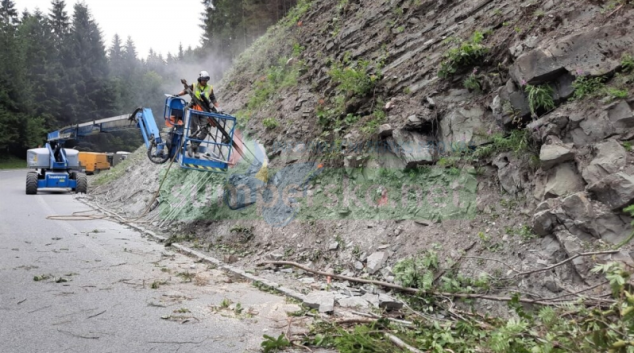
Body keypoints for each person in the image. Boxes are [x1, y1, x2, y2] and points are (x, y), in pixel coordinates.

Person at [174, 70, 224, 158]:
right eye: (203, 80)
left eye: (206, 80)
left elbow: (213, 99)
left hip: (204, 112)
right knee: (193, 130)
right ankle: (195, 151)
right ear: (200, 79)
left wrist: (218, 109)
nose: (204, 82)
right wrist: (177, 95)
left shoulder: (209, 88)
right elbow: (186, 90)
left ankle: (193, 146)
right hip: (194, 111)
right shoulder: (194, 86)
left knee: (206, 129)